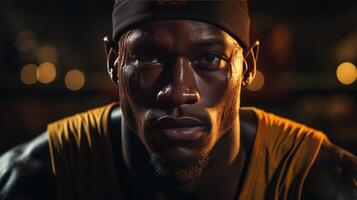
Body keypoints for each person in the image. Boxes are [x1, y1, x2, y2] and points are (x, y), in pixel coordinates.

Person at [0, 1, 356, 200]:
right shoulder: (35, 178)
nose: (178, 91)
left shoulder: (320, 181)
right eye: (149, 57)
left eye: (211, 59)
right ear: (113, 62)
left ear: (247, 66)